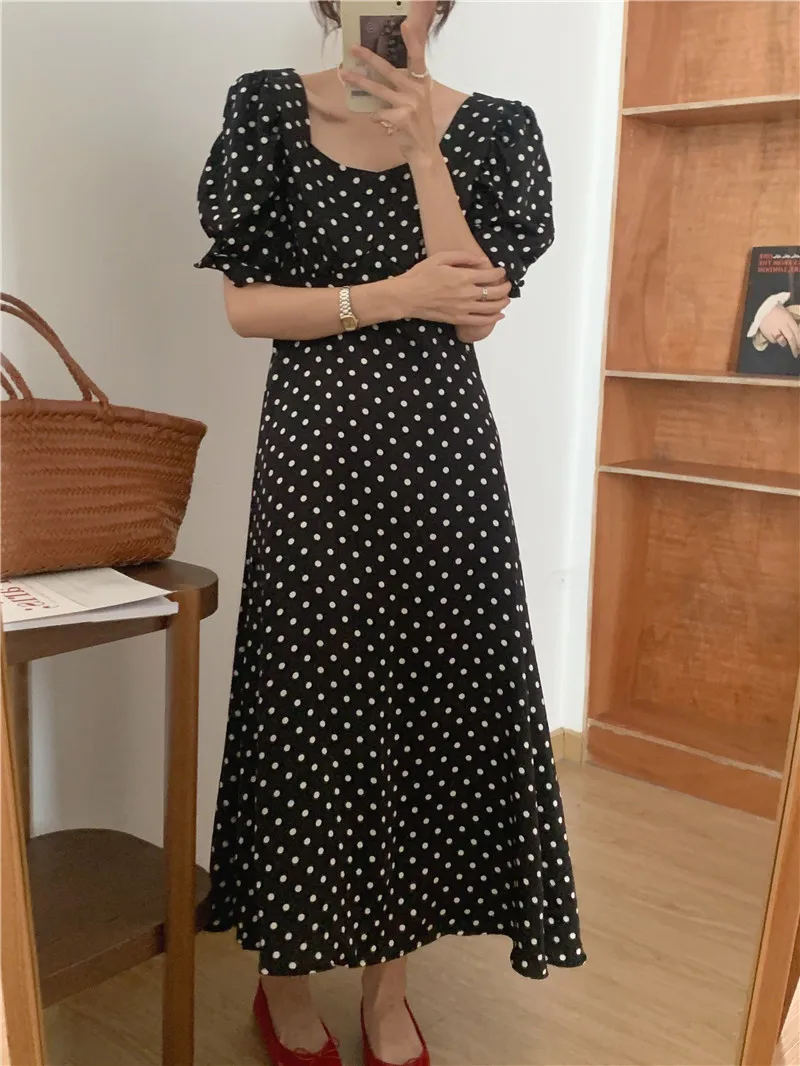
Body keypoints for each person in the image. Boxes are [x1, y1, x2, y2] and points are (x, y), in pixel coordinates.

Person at [196, 3, 585, 1064]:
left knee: (425, 705)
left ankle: (389, 985)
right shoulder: (268, 109)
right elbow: (246, 306)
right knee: (308, 701)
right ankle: (283, 976)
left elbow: (472, 308)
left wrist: (422, 147)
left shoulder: (495, 128)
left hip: (441, 460)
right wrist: (388, 294)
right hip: (316, 454)